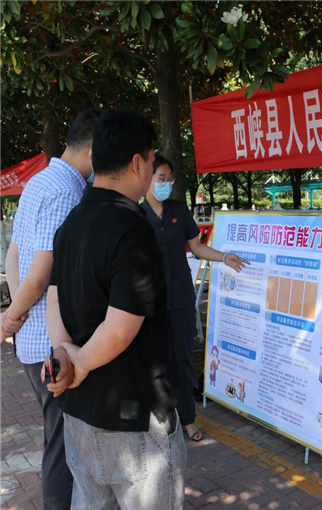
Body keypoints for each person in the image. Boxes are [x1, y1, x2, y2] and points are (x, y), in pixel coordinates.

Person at [46, 109, 185, 508]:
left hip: (78, 412)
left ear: (94, 158)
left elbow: (54, 297)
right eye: (152, 162)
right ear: (139, 163)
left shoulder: (70, 224)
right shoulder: (134, 229)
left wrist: (64, 353)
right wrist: (80, 362)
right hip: (134, 419)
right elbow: (121, 326)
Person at [1, 107, 106, 510]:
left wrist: (16, 313)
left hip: (33, 340)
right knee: (64, 448)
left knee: (55, 437)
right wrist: (12, 316)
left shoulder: (39, 182)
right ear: (94, 152)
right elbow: (43, 271)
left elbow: (14, 255)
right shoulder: (67, 192)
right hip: (52, 343)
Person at [140, 154, 249, 442]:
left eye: (169, 179)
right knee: (156, 362)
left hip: (181, 299)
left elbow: (197, 247)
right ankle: (162, 420)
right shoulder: (135, 213)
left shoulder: (178, 209)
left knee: (183, 360)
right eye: (160, 178)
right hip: (150, 302)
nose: (166, 183)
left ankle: (188, 419)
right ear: (147, 178)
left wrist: (223, 257)